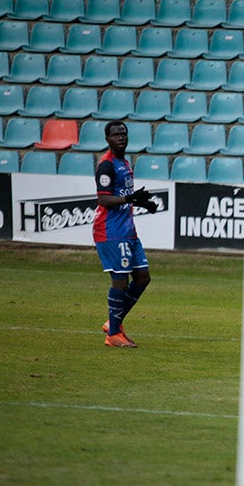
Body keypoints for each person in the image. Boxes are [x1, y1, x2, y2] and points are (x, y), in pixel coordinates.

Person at [94, 120, 158, 348]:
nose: (121, 138)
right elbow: (103, 199)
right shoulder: (107, 166)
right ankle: (113, 333)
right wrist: (129, 199)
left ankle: (113, 322)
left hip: (128, 231)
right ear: (107, 139)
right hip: (110, 231)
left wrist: (143, 203)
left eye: (124, 134)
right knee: (120, 280)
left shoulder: (125, 163)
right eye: (116, 135)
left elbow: (124, 197)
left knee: (143, 277)